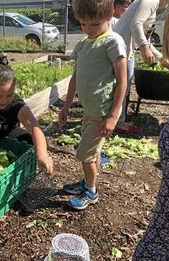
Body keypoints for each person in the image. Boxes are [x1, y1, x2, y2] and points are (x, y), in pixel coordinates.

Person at [58, 0, 127, 210]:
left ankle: (91, 191)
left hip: (102, 112)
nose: (88, 29)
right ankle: (89, 182)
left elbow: (122, 80)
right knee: (93, 152)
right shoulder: (83, 44)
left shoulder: (113, 41)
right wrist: (67, 105)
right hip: (89, 110)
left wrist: (114, 115)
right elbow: (75, 77)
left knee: (84, 154)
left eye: (94, 25)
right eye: (83, 24)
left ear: (109, 17)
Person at [131, 0, 169, 261]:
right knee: (164, 233)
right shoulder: (148, 0)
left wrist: (153, 53)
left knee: (166, 231)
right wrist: (146, 48)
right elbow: (137, 26)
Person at [113, 0, 169, 131]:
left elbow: (145, 36)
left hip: (127, 48)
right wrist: (144, 49)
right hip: (120, 47)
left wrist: (160, 57)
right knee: (121, 85)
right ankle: (116, 121)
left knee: (124, 86)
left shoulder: (152, 6)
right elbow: (135, 24)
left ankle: (118, 119)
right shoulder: (150, 0)